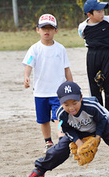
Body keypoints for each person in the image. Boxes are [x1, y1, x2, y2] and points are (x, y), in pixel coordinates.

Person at [23, 81, 109, 177]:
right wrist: (78, 143)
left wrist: (97, 138)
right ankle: (40, 169)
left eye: (74, 103)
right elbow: (67, 129)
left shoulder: (91, 106)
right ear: (60, 102)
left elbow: (102, 121)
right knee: (60, 148)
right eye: (66, 104)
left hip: (102, 125)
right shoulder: (61, 113)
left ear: (81, 98)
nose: (71, 107)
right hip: (78, 129)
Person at [22, 14, 73, 152]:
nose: (47, 31)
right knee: (43, 120)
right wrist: (26, 76)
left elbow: (66, 68)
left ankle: (62, 139)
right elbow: (29, 65)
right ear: (37, 29)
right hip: (41, 92)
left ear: (56, 30)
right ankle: (48, 141)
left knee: (59, 116)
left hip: (57, 92)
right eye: (43, 28)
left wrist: (71, 85)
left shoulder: (60, 49)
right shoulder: (35, 49)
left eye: (50, 28)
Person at [78, 0, 109, 125]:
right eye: (99, 11)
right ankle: (99, 113)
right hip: (92, 54)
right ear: (89, 14)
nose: (102, 13)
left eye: (103, 11)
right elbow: (83, 36)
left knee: (108, 84)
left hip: (106, 54)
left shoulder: (108, 21)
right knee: (94, 84)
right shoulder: (83, 26)